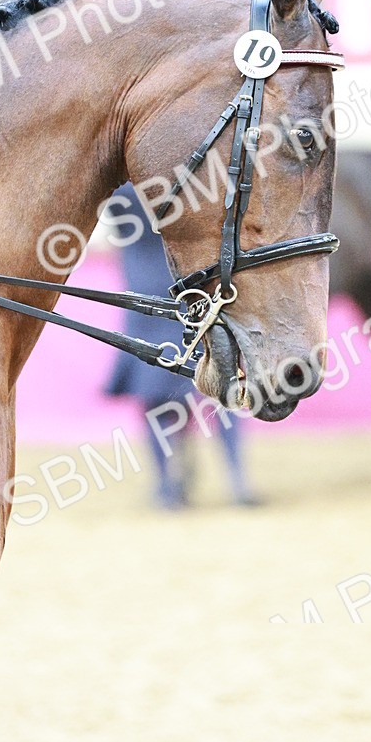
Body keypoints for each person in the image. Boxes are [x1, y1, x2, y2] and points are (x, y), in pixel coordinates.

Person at [104, 183, 259, 509]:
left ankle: (168, 484)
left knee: (160, 403)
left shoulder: (123, 190)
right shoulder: (191, 179)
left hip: (149, 298)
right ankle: (236, 481)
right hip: (193, 296)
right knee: (223, 393)